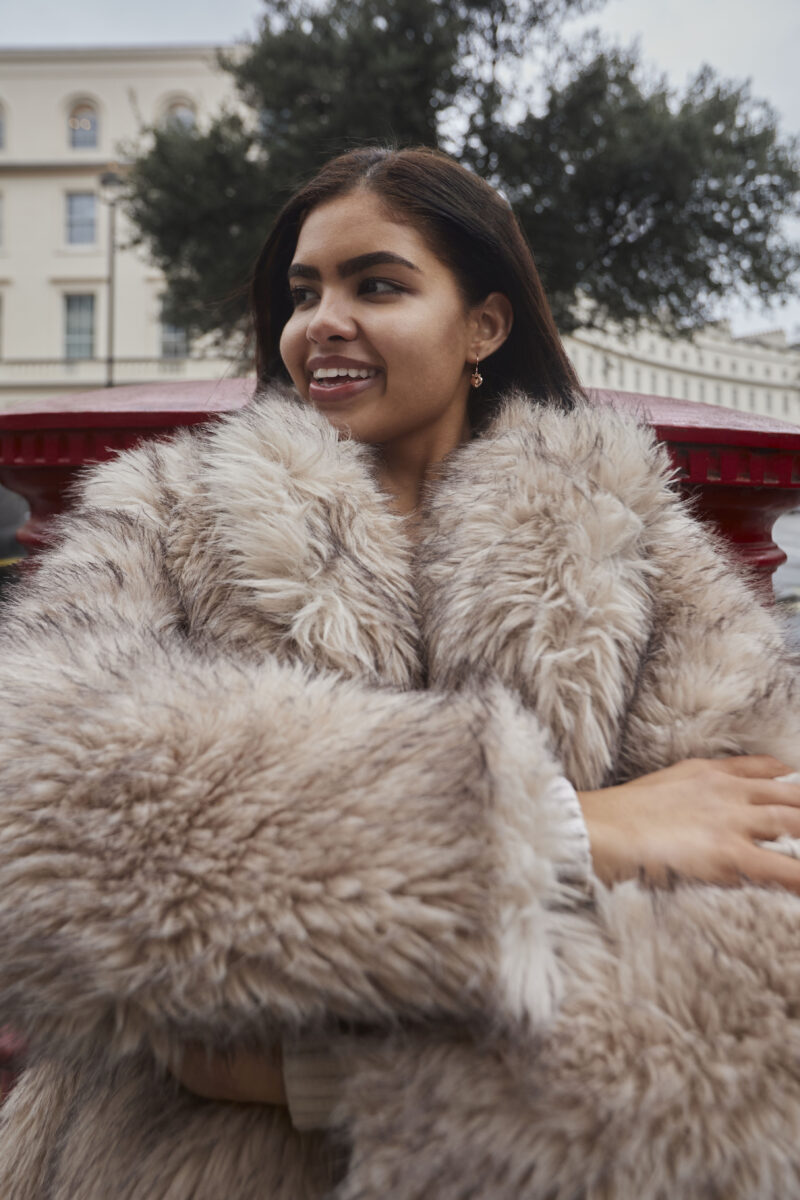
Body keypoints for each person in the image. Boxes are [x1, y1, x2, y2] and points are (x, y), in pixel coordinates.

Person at [0, 144, 799, 1200]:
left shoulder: (634, 541)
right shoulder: (165, 513)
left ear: (484, 326)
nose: (318, 321)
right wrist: (559, 831)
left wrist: (311, 1070)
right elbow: (53, 802)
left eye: (375, 284)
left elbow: (761, 912)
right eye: (302, 291)